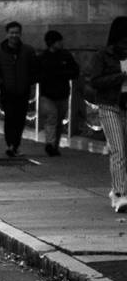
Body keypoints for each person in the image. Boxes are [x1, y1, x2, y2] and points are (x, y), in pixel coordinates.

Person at [84, 16, 127, 212]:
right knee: (118, 149)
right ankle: (120, 194)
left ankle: (119, 189)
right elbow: (95, 81)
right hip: (110, 106)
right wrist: (121, 77)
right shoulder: (102, 56)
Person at [0, 21, 37, 157]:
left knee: (20, 119)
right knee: (10, 118)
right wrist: (2, 84)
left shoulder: (28, 51)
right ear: (7, 34)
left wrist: (29, 82)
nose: (14, 35)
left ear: (20, 34)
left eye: (16, 32)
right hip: (7, 92)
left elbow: (34, 69)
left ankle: (15, 145)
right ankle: (10, 144)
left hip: (23, 91)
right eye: (12, 33)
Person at [34, 30, 80, 156]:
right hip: (47, 94)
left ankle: (55, 145)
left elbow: (75, 70)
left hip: (62, 93)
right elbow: (36, 74)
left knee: (58, 120)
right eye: (58, 41)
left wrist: (63, 74)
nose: (61, 43)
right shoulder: (43, 58)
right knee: (51, 117)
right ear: (52, 43)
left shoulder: (66, 56)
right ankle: (50, 143)